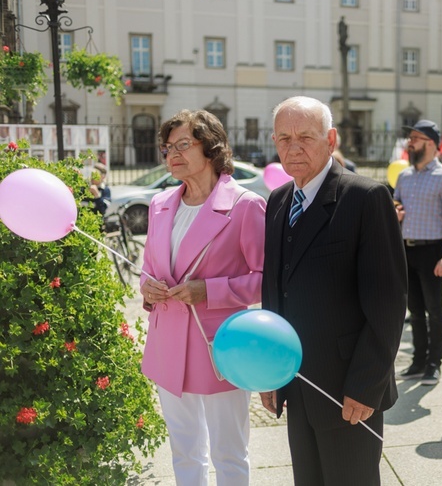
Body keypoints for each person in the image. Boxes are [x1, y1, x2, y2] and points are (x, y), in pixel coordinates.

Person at [259, 96, 407, 485]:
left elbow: (388, 305)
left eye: (305, 137)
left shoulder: (365, 198)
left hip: (347, 389)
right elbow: (273, 294)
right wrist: (272, 373)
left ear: (331, 139)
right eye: (284, 138)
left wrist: (365, 385)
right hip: (296, 382)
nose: (294, 148)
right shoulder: (277, 201)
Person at [139, 109, 266, 484]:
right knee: (184, 450)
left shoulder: (245, 205)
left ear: (211, 149)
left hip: (218, 347)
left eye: (182, 145)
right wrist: (148, 288)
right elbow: (149, 265)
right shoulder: (160, 205)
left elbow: (265, 279)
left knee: (229, 453)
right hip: (167, 342)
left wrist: (207, 291)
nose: (172, 155)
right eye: (167, 148)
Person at [393, 119, 442, 386]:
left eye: (415, 138)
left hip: (432, 251)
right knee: (414, 310)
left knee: (435, 310)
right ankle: (418, 361)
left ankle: (434, 363)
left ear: (430, 143)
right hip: (406, 250)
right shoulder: (404, 176)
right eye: (410, 138)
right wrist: (394, 210)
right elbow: (396, 206)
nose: (410, 142)